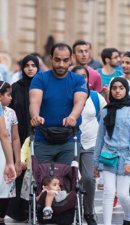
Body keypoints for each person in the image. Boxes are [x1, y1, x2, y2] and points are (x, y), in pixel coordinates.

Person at [29, 43, 88, 164]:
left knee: (67, 180)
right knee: (43, 180)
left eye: (65, 60)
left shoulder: (78, 79)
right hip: (43, 138)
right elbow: (35, 100)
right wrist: (35, 116)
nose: (61, 64)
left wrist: (73, 116)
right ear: (51, 59)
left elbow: (80, 102)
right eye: (57, 60)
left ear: (71, 59)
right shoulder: (40, 78)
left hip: (69, 140)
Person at [93, 77, 130, 225]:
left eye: (121, 88)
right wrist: (95, 163)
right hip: (108, 155)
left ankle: (128, 216)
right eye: (114, 88)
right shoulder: (106, 111)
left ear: (126, 90)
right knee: (108, 192)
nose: (117, 91)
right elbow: (100, 138)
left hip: (126, 156)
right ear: (110, 91)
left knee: (123, 194)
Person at [7, 54, 39, 222]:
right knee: (19, 172)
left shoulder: (42, 86)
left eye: (34, 65)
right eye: (27, 65)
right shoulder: (15, 87)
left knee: (36, 174)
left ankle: (35, 208)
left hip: (39, 135)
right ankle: (18, 211)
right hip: (18, 136)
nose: (30, 68)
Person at [72, 66, 106, 225]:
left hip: (91, 143)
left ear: (88, 78)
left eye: (84, 76)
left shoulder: (95, 97)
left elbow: (105, 117)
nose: (81, 79)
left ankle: (89, 212)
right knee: (71, 179)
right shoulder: (67, 96)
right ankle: (71, 210)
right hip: (71, 142)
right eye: (77, 76)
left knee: (89, 178)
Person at [0, 81, 22, 225]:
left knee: (6, 185)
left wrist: (17, 160)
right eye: (8, 95)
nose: (11, 98)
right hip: (3, 152)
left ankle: (1, 217)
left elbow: (14, 137)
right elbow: (4, 135)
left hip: (6, 151)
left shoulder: (11, 113)